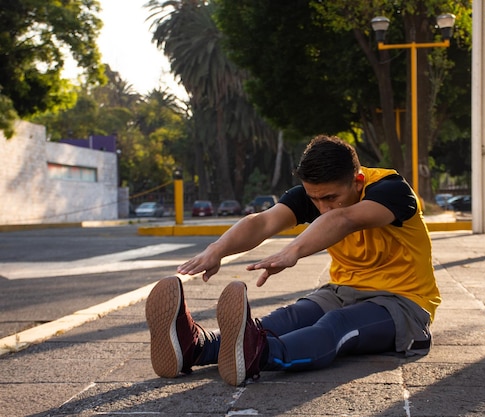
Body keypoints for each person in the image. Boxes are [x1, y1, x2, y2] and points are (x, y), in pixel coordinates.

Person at [145, 134, 441, 386]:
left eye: (330, 197)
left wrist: (294, 250)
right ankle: (195, 347)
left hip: (403, 304)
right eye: (315, 199)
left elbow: (344, 219)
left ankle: (257, 355)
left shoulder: (392, 191)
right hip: (343, 292)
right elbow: (262, 222)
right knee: (286, 318)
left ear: (358, 180)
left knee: (336, 324)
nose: (322, 207)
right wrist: (216, 250)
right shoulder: (315, 195)